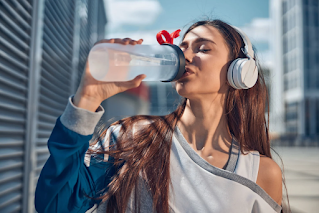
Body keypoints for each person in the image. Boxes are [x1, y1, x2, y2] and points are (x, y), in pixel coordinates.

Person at [35, 19, 288, 213]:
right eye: (182, 47)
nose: (184, 57)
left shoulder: (261, 173)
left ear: (240, 71)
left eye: (202, 49)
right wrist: (87, 100)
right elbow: (55, 204)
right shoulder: (131, 138)